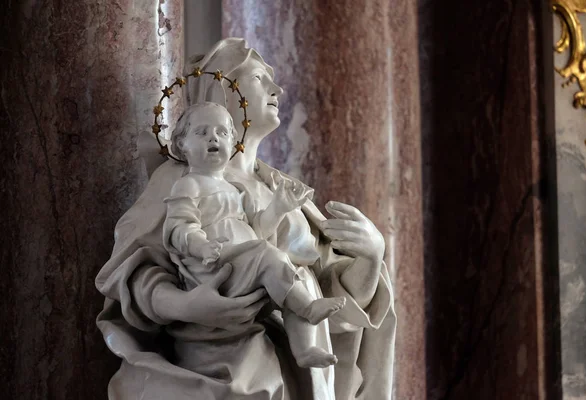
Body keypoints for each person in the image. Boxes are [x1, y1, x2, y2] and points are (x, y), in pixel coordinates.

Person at [96, 38, 395, 400]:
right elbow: (135, 274)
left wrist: (372, 255)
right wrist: (186, 305)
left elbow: (341, 312)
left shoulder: (283, 192)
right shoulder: (181, 180)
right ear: (223, 91)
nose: (277, 88)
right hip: (220, 362)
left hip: (297, 376)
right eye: (258, 77)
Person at [164, 101, 344, 368]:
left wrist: (278, 209)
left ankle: (305, 349)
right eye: (202, 133)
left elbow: (257, 230)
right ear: (182, 145)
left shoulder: (233, 188)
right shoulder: (187, 185)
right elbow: (179, 228)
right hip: (214, 268)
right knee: (273, 260)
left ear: (234, 142)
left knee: (293, 275)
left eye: (222, 133)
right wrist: (201, 246)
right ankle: (308, 308)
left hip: (245, 262)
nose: (213, 138)